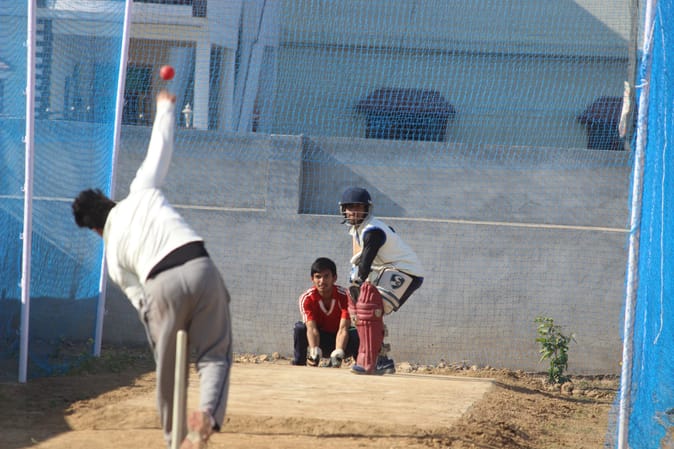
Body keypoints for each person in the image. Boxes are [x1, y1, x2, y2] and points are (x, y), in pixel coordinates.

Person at [71, 90, 231, 449]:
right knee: (214, 354)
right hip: (199, 263)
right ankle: (206, 416)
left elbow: (143, 304)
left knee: (167, 366)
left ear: (95, 230)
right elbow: (161, 146)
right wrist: (164, 107)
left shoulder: (112, 257)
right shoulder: (140, 190)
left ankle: (175, 438)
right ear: (109, 200)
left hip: (157, 284)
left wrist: (166, 334)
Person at [339, 187, 424, 375]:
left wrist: (357, 283)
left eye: (358, 207)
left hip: (406, 271)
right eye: (349, 207)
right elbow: (359, 262)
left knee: (369, 308)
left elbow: (366, 262)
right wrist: (354, 286)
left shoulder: (372, 231)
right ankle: (382, 359)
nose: (353, 212)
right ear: (343, 210)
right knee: (359, 309)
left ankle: (375, 360)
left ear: (367, 209)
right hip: (387, 270)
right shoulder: (358, 230)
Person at [293, 257, 359, 367]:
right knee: (300, 328)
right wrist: (314, 350)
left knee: (357, 332)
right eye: (318, 277)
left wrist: (338, 352)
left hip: (341, 340)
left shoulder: (345, 296)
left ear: (334, 278)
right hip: (319, 340)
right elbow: (311, 328)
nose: (322, 281)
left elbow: (343, 329)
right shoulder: (307, 298)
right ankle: (300, 364)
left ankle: (361, 365)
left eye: (326, 276)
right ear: (312, 279)